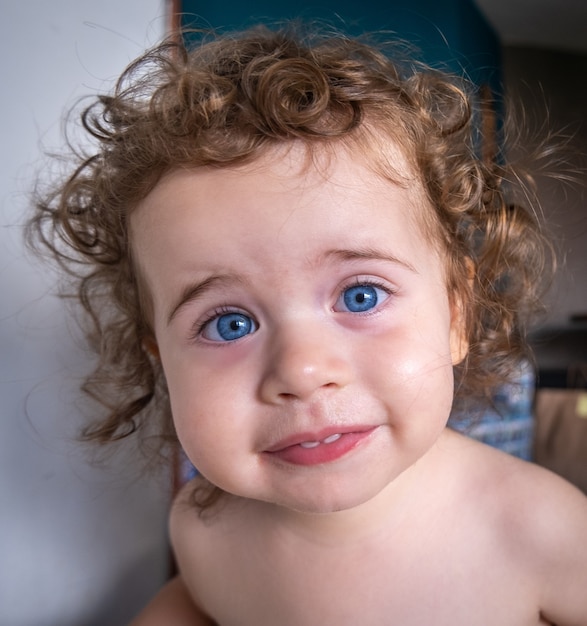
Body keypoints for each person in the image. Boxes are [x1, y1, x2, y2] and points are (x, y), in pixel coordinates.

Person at [29, 24, 587, 625]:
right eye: (229, 324)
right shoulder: (203, 525)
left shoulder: (543, 533)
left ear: (455, 314)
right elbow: (199, 600)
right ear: (162, 359)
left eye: (362, 294)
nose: (302, 369)